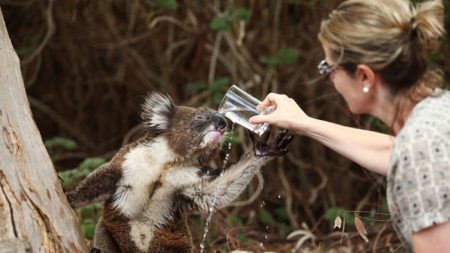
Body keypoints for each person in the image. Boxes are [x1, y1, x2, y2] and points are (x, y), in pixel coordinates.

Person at [249, 0, 449, 252]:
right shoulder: (436, 112)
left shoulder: (420, 149)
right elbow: (393, 152)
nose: (329, 81)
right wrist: (304, 123)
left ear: (365, 76)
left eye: (328, 69)